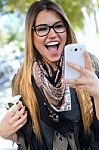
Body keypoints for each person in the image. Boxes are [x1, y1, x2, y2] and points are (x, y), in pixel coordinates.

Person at [0, 0, 99, 149]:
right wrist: (6, 133)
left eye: (58, 26)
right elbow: (29, 141)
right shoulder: (22, 80)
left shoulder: (89, 67)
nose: (52, 34)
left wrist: (98, 92)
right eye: (42, 29)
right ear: (31, 35)